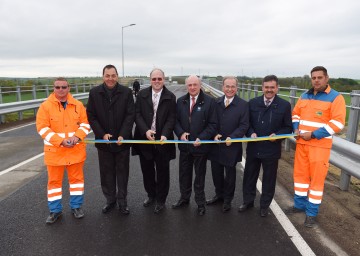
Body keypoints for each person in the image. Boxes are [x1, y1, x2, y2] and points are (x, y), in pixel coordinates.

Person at [290, 66, 346, 227]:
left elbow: (337, 123)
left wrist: (313, 134)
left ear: (326, 78)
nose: (316, 80)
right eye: (313, 77)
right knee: (300, 177)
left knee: (316, 181)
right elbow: (295, 113)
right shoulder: (304, 95)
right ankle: (299, 206)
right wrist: (295, 128)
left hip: (319, 147)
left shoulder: (336, 98)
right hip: (301, 144)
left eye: (319, 77)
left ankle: (311, 213)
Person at [36, 77, 90, 224]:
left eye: (64, 87)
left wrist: (77, 137)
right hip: (55, 152)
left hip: (75, 150)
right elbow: (42, 128)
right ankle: (55, 211)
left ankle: (76, 207)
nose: (61, 90)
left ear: (69, 88)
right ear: (53, 88)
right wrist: (60, 141)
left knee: (76, 181)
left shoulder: (78, 105)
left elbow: (85, 124)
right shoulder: (45, 107)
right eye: (58, 87)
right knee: (54, 183)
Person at [239, 75, 292, 217]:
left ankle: (264, 206)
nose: (269, 90)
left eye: (272, 87)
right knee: (250, 176)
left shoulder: (284, 105)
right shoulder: (252, 103)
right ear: (262, 88)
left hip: (272, 149)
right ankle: (248, 201)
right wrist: (251, 133)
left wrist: (278, 135)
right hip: (254, 148)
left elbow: (288, 128)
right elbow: (247, 123)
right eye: (266, 87)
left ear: (277, 88)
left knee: (269, 179)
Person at [86, 64, 135, 215]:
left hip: (122, 141)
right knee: (106, 173)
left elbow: (130, 115)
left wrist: (123, 134)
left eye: (113, 75)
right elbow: (91, 116)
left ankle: (122, 202)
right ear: (103, 76)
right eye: (107, 76)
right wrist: (102, 134)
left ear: (117, 76)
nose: (110, 79)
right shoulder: (94, 93)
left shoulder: (126, 92)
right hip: (104, 142)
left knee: (122, 173)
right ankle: (110, 200)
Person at [132, 68, 176, 214]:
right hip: (145, 139)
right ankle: (151, 195)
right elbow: (137, 115)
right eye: (154, 79)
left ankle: (161, 200)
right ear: (150, 80)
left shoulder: (170, 97)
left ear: (164, 79)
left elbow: (171, 118)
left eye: (159, 79)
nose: (157, 81)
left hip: (163, 140)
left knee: (163, 171)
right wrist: (146, 130)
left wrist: (165, 134)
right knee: (147, 170)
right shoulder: (142, 95)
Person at [173, 75, 217, 216]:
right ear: (187, 86)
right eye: (189, 85)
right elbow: (175, 121)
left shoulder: (210, 102)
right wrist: (180, 133)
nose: (192, 87)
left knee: (199, 177)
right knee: (184, 175)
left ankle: (200, 203)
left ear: (200, 85)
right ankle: (184, 199)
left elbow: (213, 124)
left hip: (200, 147)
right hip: (185, 147)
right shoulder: (181, 101)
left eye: (195, 85)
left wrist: (201, 138)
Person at [207, 76, 249, 212]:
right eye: (227, 86)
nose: (230, 89)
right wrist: (213, 134)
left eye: (232, 87)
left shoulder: (243, 105)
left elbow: (244, 125)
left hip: (232, 145)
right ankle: (219, 195)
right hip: (216, 144)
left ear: (236, 88)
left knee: (230, 175)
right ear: (223, 87)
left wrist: (233, 137)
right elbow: (211, 121)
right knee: (216, 173)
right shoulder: (216, 102)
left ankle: (227, 199)